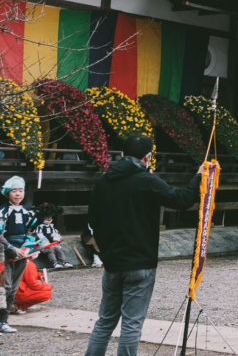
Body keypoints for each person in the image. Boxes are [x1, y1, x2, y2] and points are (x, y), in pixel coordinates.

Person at [84, 135, 204, 356]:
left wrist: (106, 251)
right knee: (131, 324)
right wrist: (198, 177)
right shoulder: (146, 180)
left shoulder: (103, 181)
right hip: (139, 261)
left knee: (105, 321)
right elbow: (182, 200)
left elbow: (93, 221)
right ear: (147, 157)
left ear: (121, 155)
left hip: (112, 262)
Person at [0, 176, 32, 333]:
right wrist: (10, 247)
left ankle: (4, 320)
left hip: (22, 252)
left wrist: (29, 248)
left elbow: (31, 232)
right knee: (3, 287)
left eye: (21, 190)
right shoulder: (3, 212)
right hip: (5, 252)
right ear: (7, 193)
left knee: (14, 287)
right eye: (14, 190)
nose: (18, 194)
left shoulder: (28, 212)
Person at [32, 203, 72, 268]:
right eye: (47, 217)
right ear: (42, 218)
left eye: (50, 217)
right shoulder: (40, 227)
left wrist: (55, 243)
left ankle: (64, 262)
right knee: (50, 250)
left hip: (52, 244)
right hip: (42, 246)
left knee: (59, 249)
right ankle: (54, 263)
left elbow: (55, 234)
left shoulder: (51, 226)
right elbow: (41, 237)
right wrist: (48, 245)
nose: (49, 219)